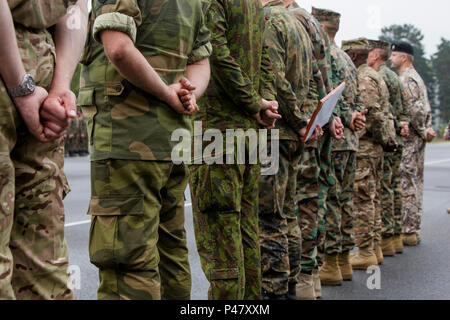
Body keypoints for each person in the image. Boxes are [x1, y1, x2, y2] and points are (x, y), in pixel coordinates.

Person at [79, 0, 212, 300]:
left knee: (125, 264)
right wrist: (188, 94)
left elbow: (118, 48)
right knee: (171, 255)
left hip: (127, 138)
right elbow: (202, 60)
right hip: (173, 139)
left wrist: (167, 93)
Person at [189, 0, 279, 300]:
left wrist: (254, 103)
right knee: (246, 233)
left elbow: (216, 53)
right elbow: (264, 58)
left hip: (217, 131)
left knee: (220, 236)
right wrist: (263, 100)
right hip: (247, 134)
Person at [0, 0, 88, 299]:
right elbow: (75, 8)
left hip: (26, 80)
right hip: (42, 72)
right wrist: (59, 86)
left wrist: (23, 87)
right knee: (42, 264)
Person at [259, 0, 318, 300]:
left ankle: (273, 291)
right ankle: (291, 286)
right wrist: (308, 120)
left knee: (269, 218)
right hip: (293, 133)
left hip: (278, 132)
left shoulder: (270, 19)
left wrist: (297, 121)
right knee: (287, 215)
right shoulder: (299, 23)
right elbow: (313, 82)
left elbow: (276, 79)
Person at [287, 2, 343, 300]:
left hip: (303, 122)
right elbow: (325, 79)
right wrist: (331, 116)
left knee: (296, 204)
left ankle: (303, 277)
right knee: (313, 198)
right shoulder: (312, 23)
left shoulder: (289, 19)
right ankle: (312, 276)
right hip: (317, 118)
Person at [314, 7, 366, 285]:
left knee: (329, 201)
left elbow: (333, 98)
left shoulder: (327, 56)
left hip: (334, 138)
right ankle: (343, 259)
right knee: (345, 200)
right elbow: (356, 101)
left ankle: (330, 262)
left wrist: (346, 117)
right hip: (350, 141)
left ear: (321, 27)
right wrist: (355, 118)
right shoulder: (346, 58)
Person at [342, 38, 397, 271]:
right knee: (371, 196)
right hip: (374, 146)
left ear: (353, 55)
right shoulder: (374, 75)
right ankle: (373, 248)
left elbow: (372, 113)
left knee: (363, 199)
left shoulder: (364, 77)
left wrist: (380, 137)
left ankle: (365, 251)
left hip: (366, 145)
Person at [390, 42, 436, 246]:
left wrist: (423, 129)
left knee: (407, 181)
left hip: (410, 138)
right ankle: (411, 228)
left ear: (404, 58)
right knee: (413, 180)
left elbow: (414, 109)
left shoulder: (407, 78)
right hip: (416, 136)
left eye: (394, 55)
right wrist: (428, 127)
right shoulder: (414, 76)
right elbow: (425, 108)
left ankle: (408, 229)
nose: (391, 58)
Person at [367, 40, 410, 255]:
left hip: (386, 138)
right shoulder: (393, 77)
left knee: (382, 189)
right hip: (396, 136)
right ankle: (393, 236)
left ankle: (385, 238)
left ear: (375, 55)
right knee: (392, 187)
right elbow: (404, 110)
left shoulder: (380, 76)